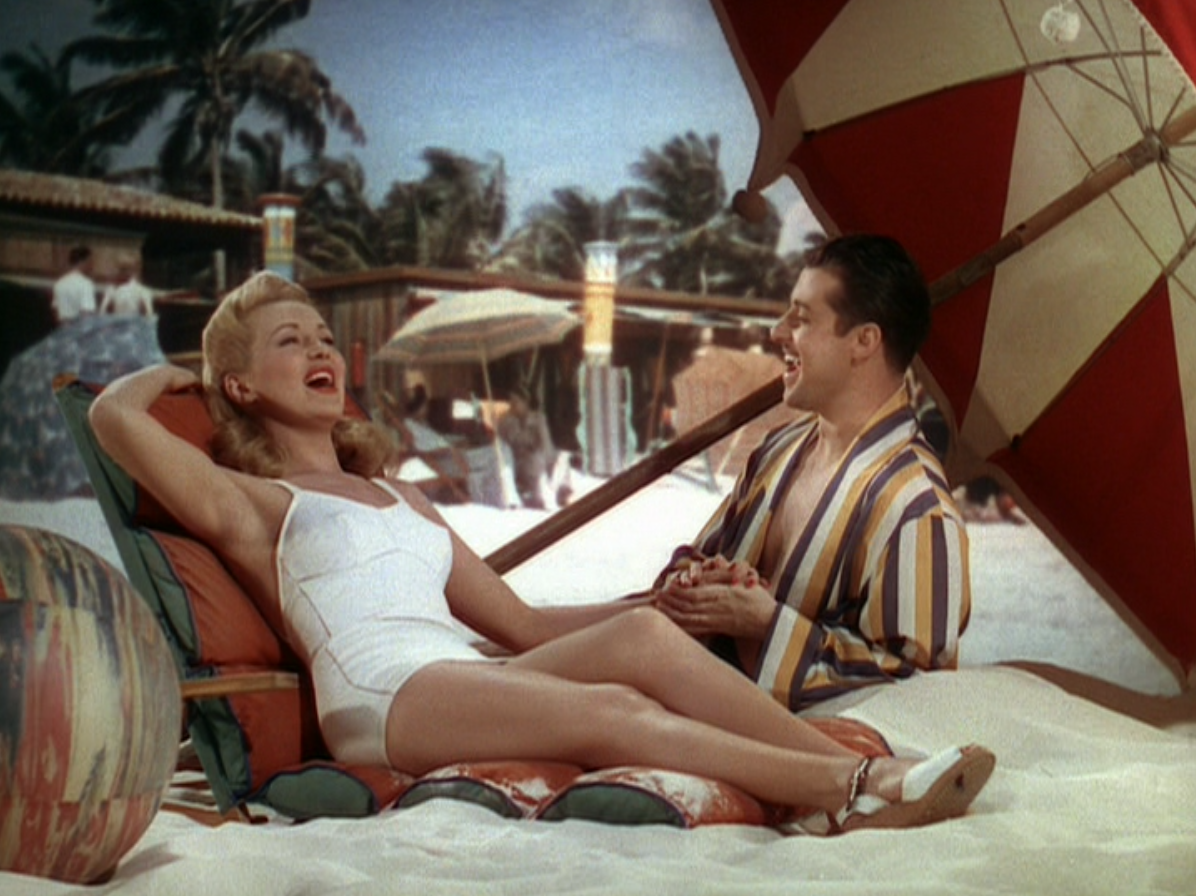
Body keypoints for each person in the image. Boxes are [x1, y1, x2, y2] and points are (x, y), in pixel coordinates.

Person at [89, 270, 994, 834]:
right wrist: (169, 377)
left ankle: (842, 762)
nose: (320, 348)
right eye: (290, 342)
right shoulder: (258, 504)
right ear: (242, 384)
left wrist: (660, 608)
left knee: (642, 643)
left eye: (324, 335)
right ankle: (847, 784)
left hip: (457, 673)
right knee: (609, 706)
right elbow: (109, 419)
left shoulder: (403, 497)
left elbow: (520, 624)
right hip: (381, 693)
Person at [651, 234, 970, 712]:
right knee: (617, 641)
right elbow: (697, 558)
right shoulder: (780, 449)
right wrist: (698, 582)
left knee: (622, 647)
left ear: (864, 341)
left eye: (800, 319)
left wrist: (765, 624)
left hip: (773, 737)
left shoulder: (917, 510)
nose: (777, 332)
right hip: (686, 691)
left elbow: (916, 695)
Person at [497, 386, 555, 509]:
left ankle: (543, 495)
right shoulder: (505, 421)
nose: (513, 405)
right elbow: (501, 444)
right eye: (511, 401)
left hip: (536, 460)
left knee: (538, 460)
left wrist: (547, 462)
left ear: (526, 402)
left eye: (516, 401)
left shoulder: (538, 419)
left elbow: (545, 444)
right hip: (514, 460)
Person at [52, 245, 98, 324]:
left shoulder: (59, 283)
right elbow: (87, 314)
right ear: (84, 261)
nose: (92, 265)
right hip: (79, 329)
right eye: (91, 261)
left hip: (62, 328)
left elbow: (55, 310)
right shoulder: (85, 284)